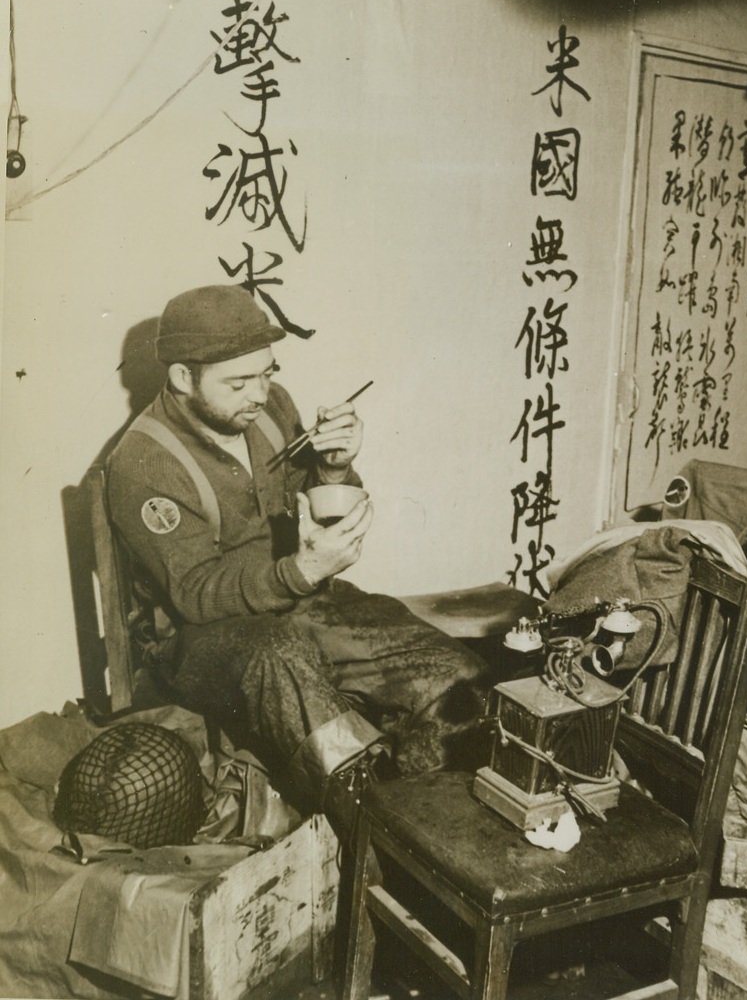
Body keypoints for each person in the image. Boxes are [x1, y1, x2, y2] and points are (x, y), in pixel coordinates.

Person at [106, 285, 488, 833]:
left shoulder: (270, 408)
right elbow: (195, 595)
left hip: (297, 603)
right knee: (282, 660)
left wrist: (333, 467)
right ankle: (377, 833)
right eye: (239, 382)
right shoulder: (145, 462)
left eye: (266, 373)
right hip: (198, 640)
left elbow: (308, 505)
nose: (260, 393)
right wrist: (302, 571)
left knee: (457, 679)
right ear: (183, 378)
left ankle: (429, 824)